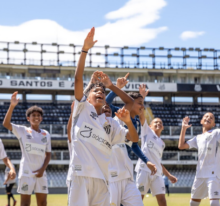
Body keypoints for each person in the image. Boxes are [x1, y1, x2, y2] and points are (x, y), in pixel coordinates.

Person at [68, 27, 140, 206]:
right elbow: (77, 80)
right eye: (96, 91)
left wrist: (128, 122)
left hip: (103, 180)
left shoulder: (112, 123)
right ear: (88, 97)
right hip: (80, 175)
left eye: (102, 91)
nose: (99, 92)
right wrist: (84, 50)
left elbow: (133, 138)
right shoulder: (82, 110)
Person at [105, 80, 157, 206]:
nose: (143, 107)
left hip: (125, 169)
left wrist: (146, 160)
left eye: (143, 104)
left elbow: (133, 144)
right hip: (111, 170)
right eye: (140, 104)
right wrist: (116, 87)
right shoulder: (120, 113)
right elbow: (106, 103)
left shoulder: (136, 123)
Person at [178, 114, 220, 206]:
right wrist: (183, 128)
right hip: (199, 175)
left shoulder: (216, 133)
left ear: (214, 124)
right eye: (206, 117)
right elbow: (181, 146)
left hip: (213, 175)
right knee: (193, 203)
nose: (208, 118)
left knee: (214, 203)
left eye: (211, 118)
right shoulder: (197, 138)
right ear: (201, 121)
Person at [3, 92, 52, 206]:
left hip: (41, 173)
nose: (36, 117)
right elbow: (6, 124)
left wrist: (42, 170)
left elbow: (48, 154)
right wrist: (12, 106)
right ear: (28, 118)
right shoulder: (23, 131)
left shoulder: (46, 134)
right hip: (26, 173)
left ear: (41, 118)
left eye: (38, 115)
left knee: (43, 203)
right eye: (33, 115)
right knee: (25, 203)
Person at [135, 109, 177, 206]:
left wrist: (169, 175)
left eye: (160, 123)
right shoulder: (147, 131)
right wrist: (142, 98)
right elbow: (141, 115)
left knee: (162, 200)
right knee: (139, 198)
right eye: (156, 122)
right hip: (144, 170)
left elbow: (158, 162)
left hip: (157, 174)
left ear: (163, 127)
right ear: (150, 126)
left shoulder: (162, 144)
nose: (158, 123)